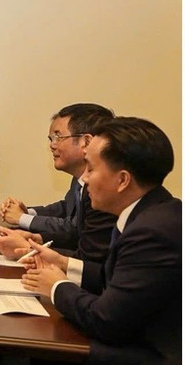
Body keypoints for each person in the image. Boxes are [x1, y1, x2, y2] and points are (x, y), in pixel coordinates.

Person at [19, 117, 181, 364]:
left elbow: (106, 321)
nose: (83, 179)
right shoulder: (148, 212)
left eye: (91, 169)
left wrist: (57, 287)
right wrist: (61, 263)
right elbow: (113, 281)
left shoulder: (153, 232)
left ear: (123, 180)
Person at [0, 104, 116, 263]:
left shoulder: (104, 190)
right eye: (51, 138)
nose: (52, 145)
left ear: (86, 141)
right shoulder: (80, 178)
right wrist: (35, 232)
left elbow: (75, 234)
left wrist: (28, 244)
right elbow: (67, 209)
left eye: (58, 137)